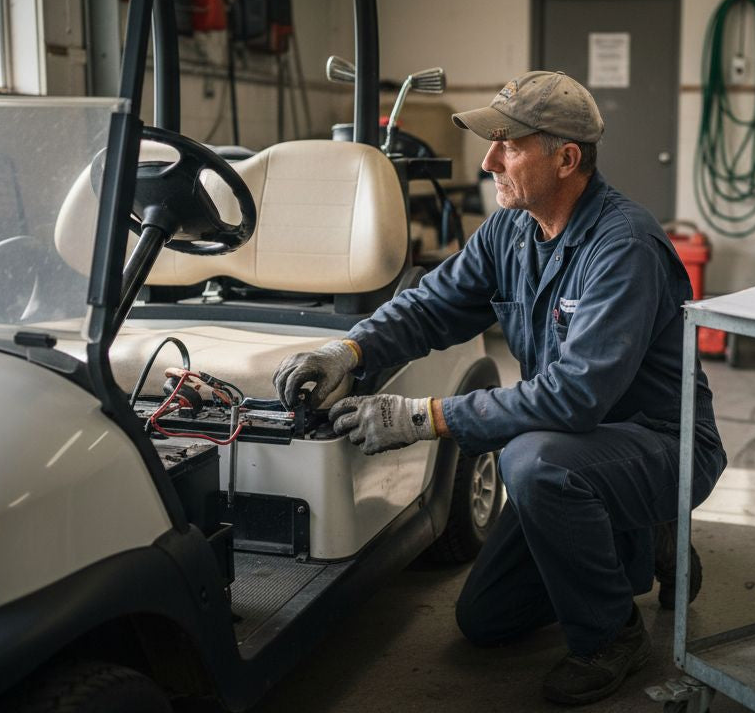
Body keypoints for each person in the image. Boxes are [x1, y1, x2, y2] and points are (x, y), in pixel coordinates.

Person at [272, 71, 726, 706]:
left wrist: (423, 416)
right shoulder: (512, 229)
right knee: (484, 620)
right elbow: (430, 305)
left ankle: (612, 634)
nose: (488, 161)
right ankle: (641, 535)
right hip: (582, 445)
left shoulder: (623, 246)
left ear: (566, 158)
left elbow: (573, 397)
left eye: (508, 145)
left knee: (532, 462)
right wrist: (347, 349)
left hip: (660, 444)